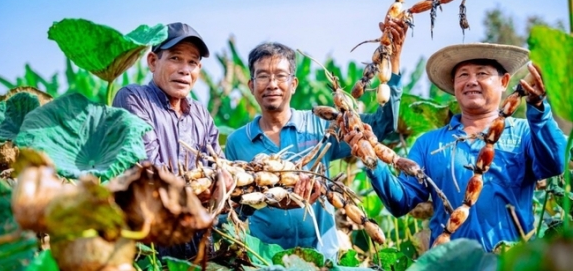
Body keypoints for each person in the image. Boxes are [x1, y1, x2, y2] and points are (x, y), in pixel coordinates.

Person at [348, 42, 567, 252]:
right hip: (449, 263)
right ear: (454, 85)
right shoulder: (429, 143)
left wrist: (538, 108)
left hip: (510, 262)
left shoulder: (525, 132)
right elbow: (401, 202)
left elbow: (555, 164)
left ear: (504, 81)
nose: (471, 81)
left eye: (482, 73)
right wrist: (372, 161)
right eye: (463, 75)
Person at [224, 20, 408, 260]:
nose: (272, 84)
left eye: (280, 75)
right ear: (251, 85)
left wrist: (392, 62)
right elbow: (232, 207)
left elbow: (383, 125)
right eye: (262, 76)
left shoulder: (322, 126)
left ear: (293, 84)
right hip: (263, 260)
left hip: (322, 259)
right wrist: (270, 200)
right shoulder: (237, 142)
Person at [113, 22, 221, 259]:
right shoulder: (133, 98)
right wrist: (199, 189)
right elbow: (147, 169)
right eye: (175, 58)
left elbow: (218, 168)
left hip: (198, 246)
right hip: (150, 245)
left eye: (192, 62)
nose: (185, 70)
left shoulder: (201, 113)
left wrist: (220, 181)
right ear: (153, 61)